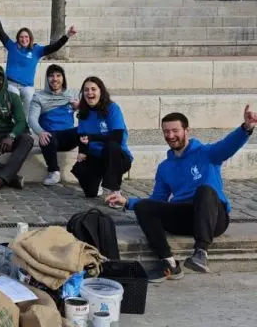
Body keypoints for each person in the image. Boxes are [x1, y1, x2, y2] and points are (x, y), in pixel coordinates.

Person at [106, 107, 256, 281]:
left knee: (205, 189)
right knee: (144, 207)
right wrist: (127, 202)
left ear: (187, 130)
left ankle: (200, 253)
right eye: (166, 131)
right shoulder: (165, 167)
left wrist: (246, 127)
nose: (170, 136)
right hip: (185, 217)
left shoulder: (207, 153)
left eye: (175, 130)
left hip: (214, 217)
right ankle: (169, 262)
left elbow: (229, 145)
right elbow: (158, 200)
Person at [0, 0, 76, 114]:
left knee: (30, 97)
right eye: (21, 37)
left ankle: (25, 123)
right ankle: (14, 119)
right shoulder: (11, 46)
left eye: (26, 37)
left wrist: (67, 35)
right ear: (18, 38)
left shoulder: (36, 50)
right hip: (11, 83)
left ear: (30, 38)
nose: (24, 39)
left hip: (27, 86)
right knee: (15, 97)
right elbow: (0, 32)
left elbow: (54, 47)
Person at [72, 76, 133, 204]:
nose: (90, 93)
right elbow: (82, 135)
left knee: (111, 146)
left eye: (93, 89)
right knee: (89, 191)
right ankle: (97, 182)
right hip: (96, 157)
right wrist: (82, 151)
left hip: (117, 157)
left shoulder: (112, 108)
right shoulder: (83, 112)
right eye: (86, 90)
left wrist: (92, 137)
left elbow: (117, 138)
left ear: (101, 91)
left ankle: (114, 191)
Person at [28, 64, 80, 186]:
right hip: (50, 137)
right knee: (46, 137)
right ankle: (54, 171)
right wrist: (40, 132)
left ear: (63, 78)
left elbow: (92, 110)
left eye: (58, 75)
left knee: (86, 130)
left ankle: (87, 171)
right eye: (51, 76)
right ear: (46, 79)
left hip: (68, 136)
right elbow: (32, 119)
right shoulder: (39, 97)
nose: (55, 79)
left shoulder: (73, 94)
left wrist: (80, 107)